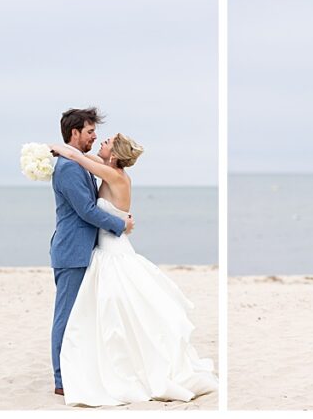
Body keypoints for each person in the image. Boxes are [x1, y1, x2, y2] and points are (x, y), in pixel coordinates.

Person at [50, 130, 218, 406]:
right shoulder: (108, 169)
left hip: (112, 254)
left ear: (114, 154)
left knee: (117, 312)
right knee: (109, 313)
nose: (101, 141)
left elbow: (76, 157)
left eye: (105, 142)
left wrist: (53, 147)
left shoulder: (114, 176)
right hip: (105, 252)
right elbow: (81, 157)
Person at [49, 108, 133, 397]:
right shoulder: (70, 167)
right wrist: (120, 223)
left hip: (88, 251)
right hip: (73, 251)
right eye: (90, 132)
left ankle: (79, 370)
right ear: (75, 133)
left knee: (82, 316)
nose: (95, 136)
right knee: (66, 316)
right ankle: (61, 380)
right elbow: (86, 210)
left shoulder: (82, 163)